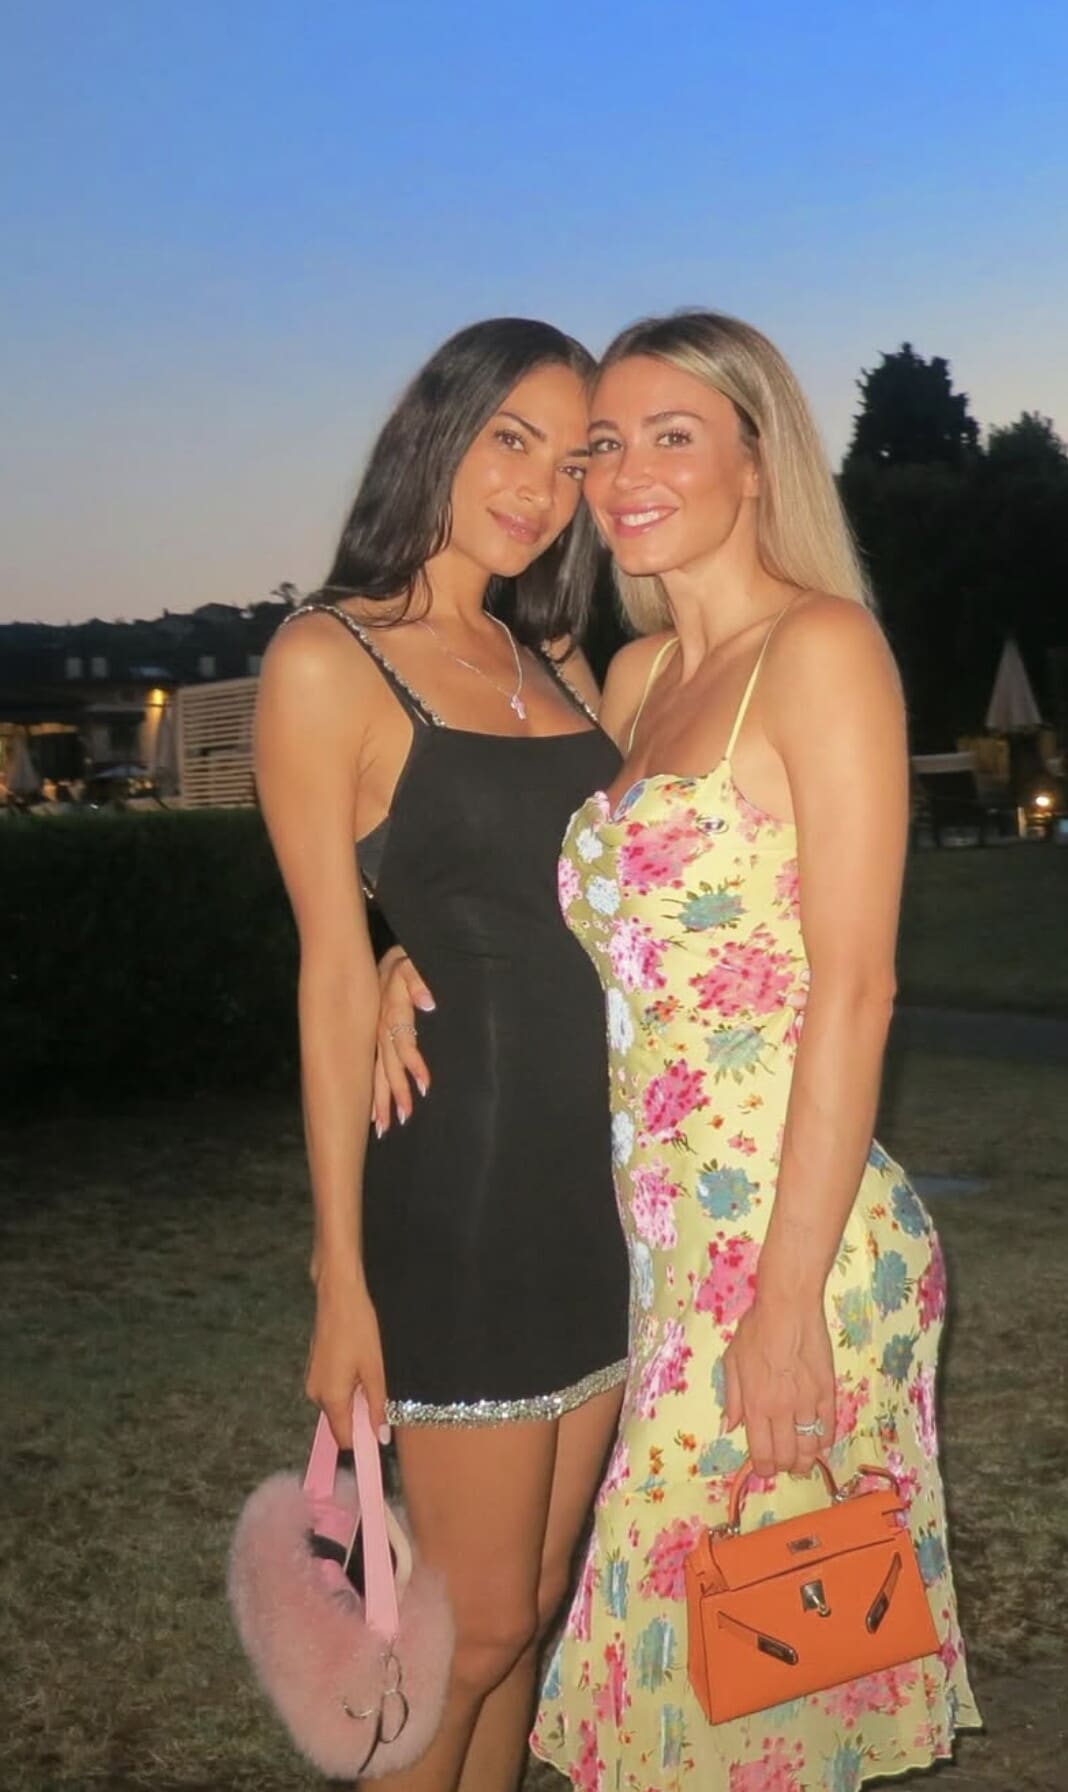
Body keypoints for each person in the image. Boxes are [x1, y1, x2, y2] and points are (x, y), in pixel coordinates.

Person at [382, 311, 980, 1790]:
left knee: (753, 1705)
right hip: (655, 1250)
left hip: (788, 1251)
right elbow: (542, 885)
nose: (623, 475)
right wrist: (403, 950)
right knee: (705, 1688)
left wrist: (782, 1308)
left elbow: (856, 991)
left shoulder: (821, 651)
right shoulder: (639, 680)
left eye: (672, 436)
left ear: (757, 461)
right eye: (605, 446)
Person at [254, 317, 629, 1792]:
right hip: (464, 1197)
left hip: (607, 1195)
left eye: (573, 458)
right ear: (438, 431)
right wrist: (338, 1280)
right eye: (510, 440)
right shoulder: (327, 656)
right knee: (459, 1641)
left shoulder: (558, 655)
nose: (540, 486)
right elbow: (329, 971)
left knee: (531, 1609)